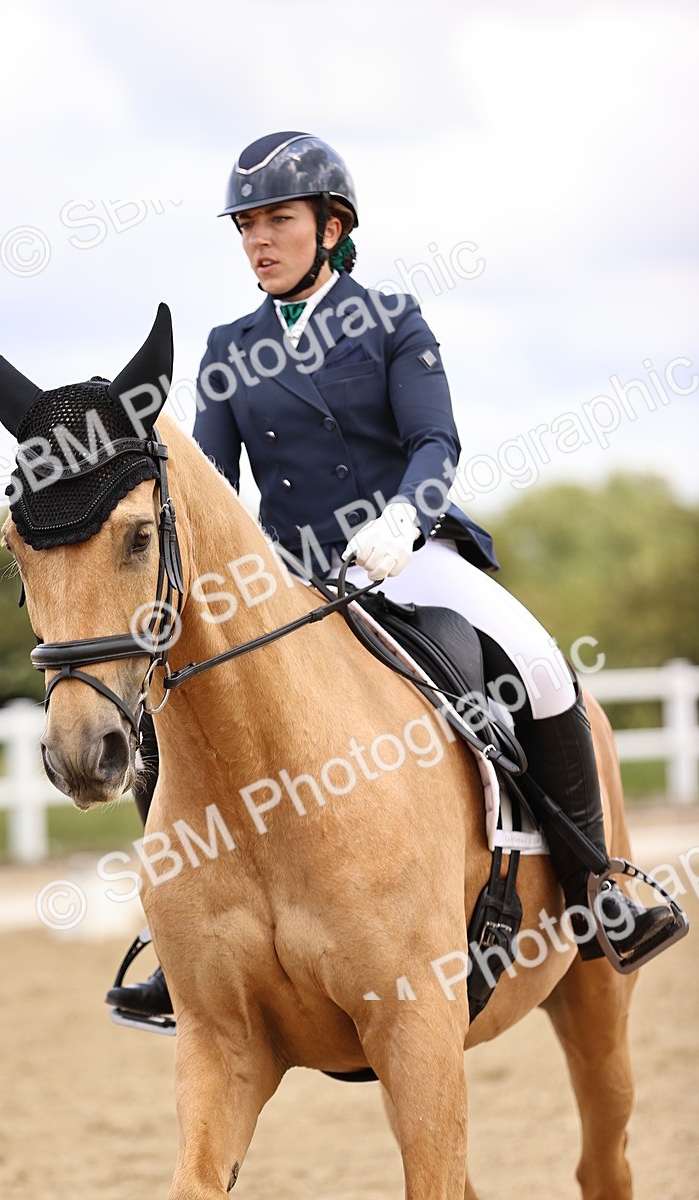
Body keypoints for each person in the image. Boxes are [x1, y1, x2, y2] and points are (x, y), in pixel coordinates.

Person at [107, 131, 678, 1018]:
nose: (259, 241)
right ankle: (171, 934)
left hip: (404, 555)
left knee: (535, 662)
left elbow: (434, 443)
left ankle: (597, 882)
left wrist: (405, 519)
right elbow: (216, 492)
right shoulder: (227, 348)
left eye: (279, 221)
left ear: (332, 227)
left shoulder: (394, 319)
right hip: (289, 580)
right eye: (247, 226)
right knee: (166, 699)